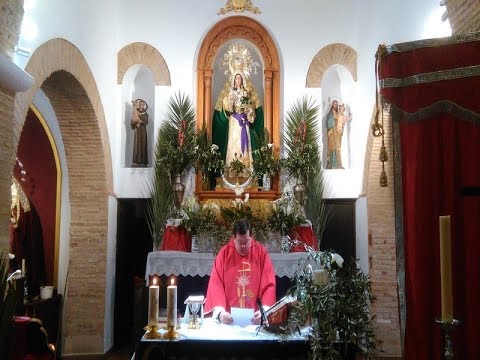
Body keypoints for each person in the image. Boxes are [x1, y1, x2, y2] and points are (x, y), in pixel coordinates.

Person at [205, 218, 276, 325]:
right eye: (240, 242)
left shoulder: (261, 253)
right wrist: (220, 313)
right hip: (228, 319)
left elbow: (269, 284)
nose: (243, 246)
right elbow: (216, 284)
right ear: (234, 238)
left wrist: (264, 312)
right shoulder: (224, 254)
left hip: (255, 319)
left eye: (246, 242)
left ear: (251, 237)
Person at [222, 73, 255, 177]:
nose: (238, 80)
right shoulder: (231, 92)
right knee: (233, 142)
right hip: (234, 120)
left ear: (242, 80)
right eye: (236, 78)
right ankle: (232, 169)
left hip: (243, 120)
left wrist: (248, 109)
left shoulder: (245, 93)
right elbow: (228, 109)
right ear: (233, 80)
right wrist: (230, 101)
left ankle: (245, 169)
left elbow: (250, 108)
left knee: (243, 143)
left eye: (240, 78)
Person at [325, 99, 345, 169]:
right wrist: (333, 123)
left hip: (338, 134)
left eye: (336, 104)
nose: (335, 105)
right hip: (331, 133)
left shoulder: (339, 114)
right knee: (332, 148)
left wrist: (341, 129)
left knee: (338, 148)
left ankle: (338, 165)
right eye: (334, 104)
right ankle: (331, 164)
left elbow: (342, 123)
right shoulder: (329, 114)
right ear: (332, 105)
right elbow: (327, 124)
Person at [130, 98, 149, 167]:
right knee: (136, 145)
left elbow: (146, 122)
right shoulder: (135, 112)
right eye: (140, 104)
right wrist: (132, 122)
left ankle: (143, 161)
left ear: (144, 105)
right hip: (137, 131)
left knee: (143, 145)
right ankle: (136, 161)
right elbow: (132, 124)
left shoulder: (145, 113)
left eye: (142, 104)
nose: (141, 106)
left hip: (143, 131)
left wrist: (139, 120)